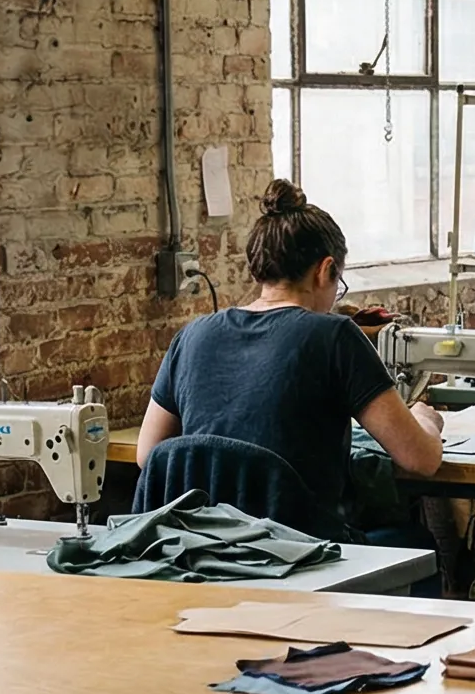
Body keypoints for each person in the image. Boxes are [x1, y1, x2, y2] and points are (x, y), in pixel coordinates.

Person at [139, 181, 444, 529]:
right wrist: (425, 420)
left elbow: (149, 455)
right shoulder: (335, 336)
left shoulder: (192, 335)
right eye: (338, 284)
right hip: (300, 550)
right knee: (413, 536)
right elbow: (421, 459)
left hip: (203, 545)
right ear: (325, 270)